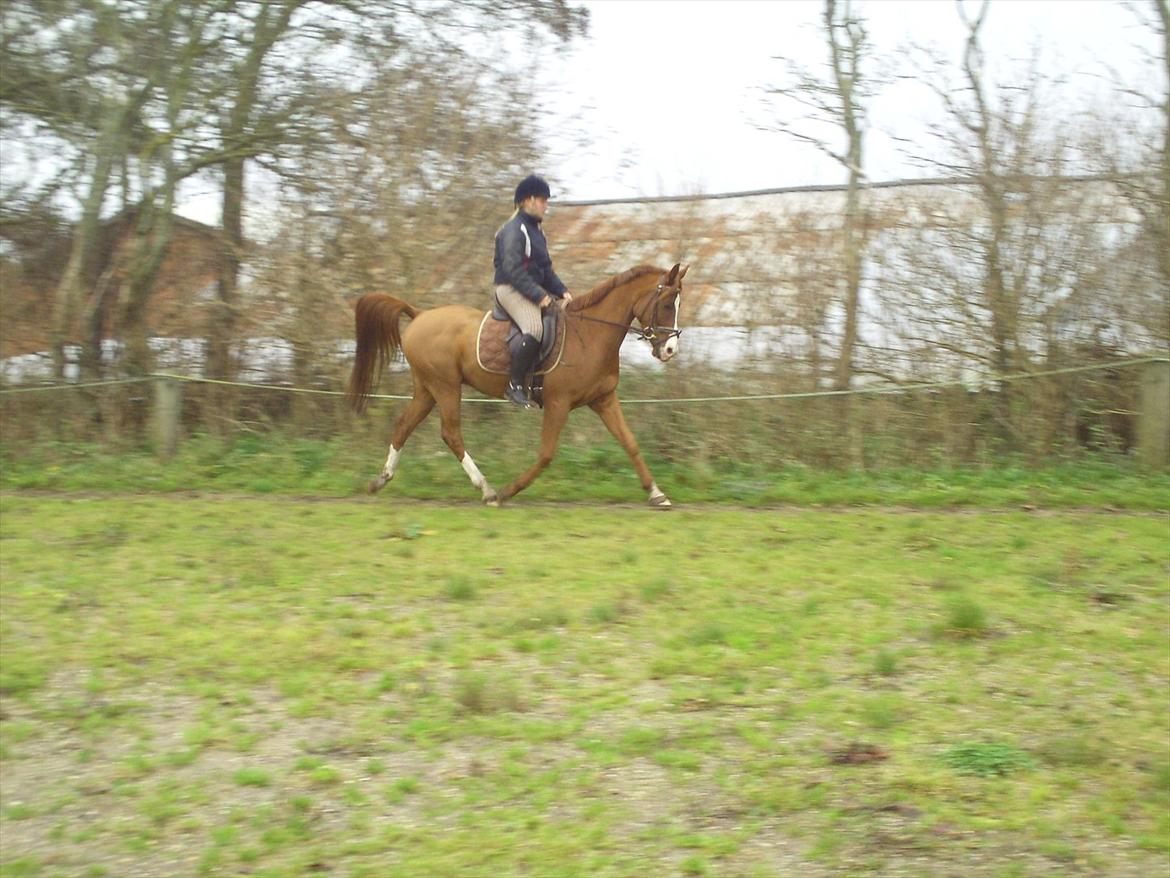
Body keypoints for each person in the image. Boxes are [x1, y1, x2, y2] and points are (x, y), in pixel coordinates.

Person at [493, 175, 573, 408]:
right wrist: (540, 296)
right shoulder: (514, 230)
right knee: (534, 328)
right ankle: (514, 385)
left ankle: (539, 382)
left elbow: (545, 270)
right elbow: (513, 269)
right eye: (543, 201)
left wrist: (562, 291)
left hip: (529, 288)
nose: (546, 206)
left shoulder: (537, 231)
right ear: (528, 200)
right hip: (510, 288)